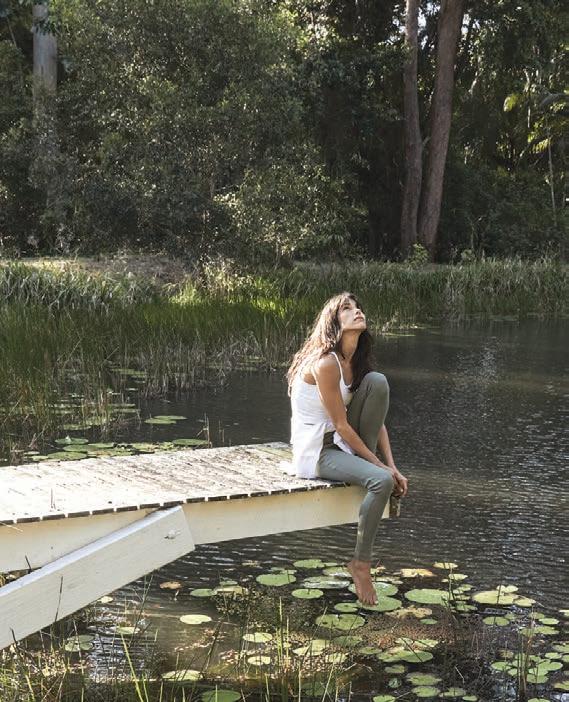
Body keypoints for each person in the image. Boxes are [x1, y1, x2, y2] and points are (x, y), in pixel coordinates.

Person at [286, 292, 408, 605]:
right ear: (333, 322)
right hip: (319, 450)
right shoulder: (326, 363)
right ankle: (360, 564)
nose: (357, 312)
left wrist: (391, 464)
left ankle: (374, 468)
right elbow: (340, 425)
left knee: (378, 382)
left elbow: (378, 421)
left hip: (343, 442)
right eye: (347, 309)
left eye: (358, 307)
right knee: (380, 482)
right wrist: (382, 470)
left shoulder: (355, 362)